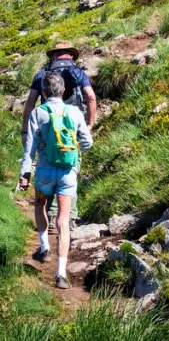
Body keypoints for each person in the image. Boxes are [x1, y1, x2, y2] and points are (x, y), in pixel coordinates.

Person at [19, 71, 93, 289]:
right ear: (63, 90)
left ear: (43, 93)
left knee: (40, 204)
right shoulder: (74, 111)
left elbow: (29, 148)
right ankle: (61, 274)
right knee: (63, 220)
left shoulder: (38, 113)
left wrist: (25, 174)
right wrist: (75, 155)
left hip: (44, 170)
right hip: (67, 172)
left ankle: (44, 249)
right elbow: (87, 142)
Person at [22, 41, 96, 228]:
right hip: (72, 130)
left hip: (47, 127)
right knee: (70, 171)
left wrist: (25, 130)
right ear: (71, 55)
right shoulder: (78, 73)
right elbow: (91, 97)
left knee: (48, 166)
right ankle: (69, 219)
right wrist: (89, 125)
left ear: (54, 55)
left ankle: (50, 217)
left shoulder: (43, 74)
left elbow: (30, 102)